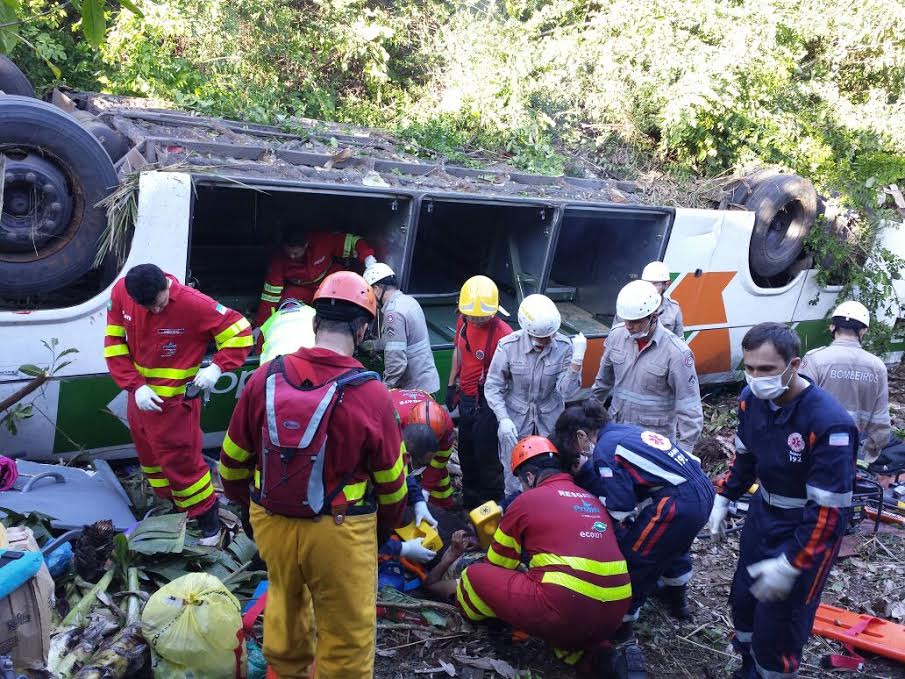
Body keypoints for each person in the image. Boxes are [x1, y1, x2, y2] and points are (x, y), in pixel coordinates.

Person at [219, 271, 407, 679]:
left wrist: (251, 511)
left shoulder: (264, 377)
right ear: (361, 330)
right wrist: (382, 532)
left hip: (271, 523)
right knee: (347, 638)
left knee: (285, 610)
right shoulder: (371, 393)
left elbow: (232, 462)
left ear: (315, 322)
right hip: (340, 531)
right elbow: (393, 485)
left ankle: (287, 671)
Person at [707, 322, 858, 679]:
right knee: (744, 601)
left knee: (780, 622)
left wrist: (792, 562)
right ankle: (747, 667)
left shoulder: (827, 422)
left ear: (795, 365)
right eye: (750, 368)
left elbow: (828, 512)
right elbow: (745, 458)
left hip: (805, 528)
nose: (757, 377)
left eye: (767, 369)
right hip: (763, 516)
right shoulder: (751, 401)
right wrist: (725, 497)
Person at [454, 436, 642, 677]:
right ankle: (594, 655)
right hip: (615, 610)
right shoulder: (590, 499)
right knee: (572, 616)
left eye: (521, 481)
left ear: (529, 477)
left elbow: (497, 563)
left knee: (474, 575)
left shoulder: (526, 500)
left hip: (565, 604)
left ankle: (481, 622)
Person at [103, 263, 252, 546]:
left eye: (159, 305)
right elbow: (114, 344)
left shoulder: (193, 304)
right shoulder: (121, 293)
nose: (155, 312)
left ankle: (208, 525)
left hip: (175, 405)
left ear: (166, 287)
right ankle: (175, 512)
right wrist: (135, 387)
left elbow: (241, 332)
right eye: (147, 307)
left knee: (185, 468)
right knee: (152, 464)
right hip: (142, 401)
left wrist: (217, 368)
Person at [554, 401, 714, 628]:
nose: (578, 453)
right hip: (701, 489)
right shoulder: (624, 431)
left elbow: (620, 506)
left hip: (678, 502)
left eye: (574, 445)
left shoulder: (605, 450)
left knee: (637, 556)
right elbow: (636, 483)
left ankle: (622, 622)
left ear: (581, 435)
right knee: (673, 546)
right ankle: (677, 600)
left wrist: (594, 522)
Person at [484, 294, 586, 494]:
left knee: (551, 469)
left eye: (551, 335)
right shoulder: (509, 346)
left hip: (549, 421)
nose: (548, 340)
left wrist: (577, 362)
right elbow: (493, 386)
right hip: (515, 421)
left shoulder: (564, 347)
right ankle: (515, 509)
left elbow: (566, 391)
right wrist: (503, 418)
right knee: (514, 473)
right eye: (542, 337)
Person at [592, 280, 703, 452]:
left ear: (654, 316)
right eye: (625, 320)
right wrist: (590, 420)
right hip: (618, 431)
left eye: (635, 321)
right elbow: (602, 383)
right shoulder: (617, 336)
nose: (628, 326)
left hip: (654, 441)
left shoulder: (676, 353)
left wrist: (683, 453)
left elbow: (690, 408)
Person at [446, 275, 513, 509]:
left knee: (487, 456)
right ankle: (469, 502)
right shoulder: (463, 321)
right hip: (466, 397)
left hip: (488, 402)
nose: (475, 318)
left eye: (480, 315)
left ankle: (490, 505)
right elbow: (459, 351)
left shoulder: (503, 334)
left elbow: (508, 378)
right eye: (471, 314)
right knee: (466, 451)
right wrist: (451, 383)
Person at [798, 301, 891, 464]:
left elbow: (798, 406)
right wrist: (870, 452)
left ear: (832, 327)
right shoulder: (877, 366)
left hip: (815, 446)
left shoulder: (815, 359)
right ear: (864, 331)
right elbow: (880, 421)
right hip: (852, 451)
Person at [255, 228, 376, 328]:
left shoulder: (323, 241)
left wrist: (367, 257)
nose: (292, 257)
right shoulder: (278, 260)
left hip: (328, 284)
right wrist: (261, 326)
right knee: (286, 302)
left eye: (296, 253)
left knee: (344, 296)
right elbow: (269, 298)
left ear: (306, 245)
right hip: (300, 289)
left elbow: (353, 241)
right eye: (289, 253)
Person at [363, 262, 441, 394]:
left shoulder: (393, 313)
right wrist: (373, 345)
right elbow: (400, 341)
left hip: (414, 390)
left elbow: (396, 360)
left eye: (368, 292)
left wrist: (385, 388)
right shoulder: (408, 301)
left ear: (376, 289)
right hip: (427, 383)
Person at [391, 388, 457, 509]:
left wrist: (425, 491)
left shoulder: (446, 426)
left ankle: (447, 507)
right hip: (395, 406)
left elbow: (439, 462)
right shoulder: (393, 421)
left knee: (438, 476)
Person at [613, 261, 684, 336]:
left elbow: (679, 338)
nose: (650, 287)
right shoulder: (628, 305)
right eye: (647, 283)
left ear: (666, 284)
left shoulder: (674, 309)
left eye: (656, 283)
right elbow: (615, 335)